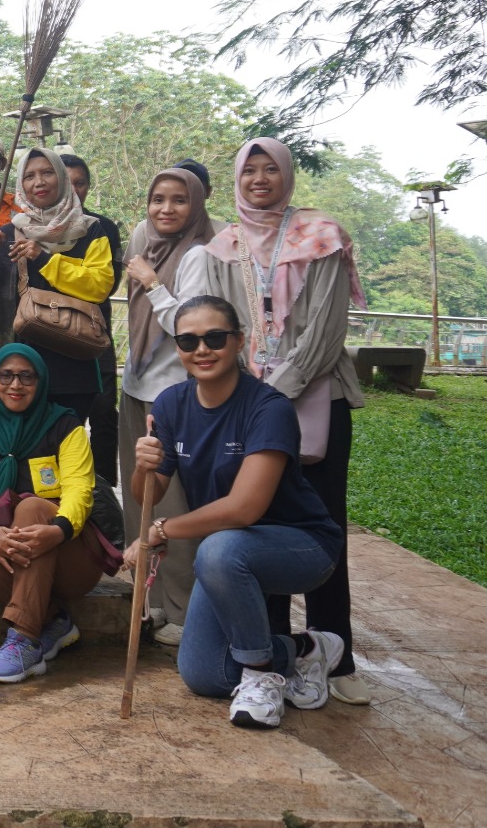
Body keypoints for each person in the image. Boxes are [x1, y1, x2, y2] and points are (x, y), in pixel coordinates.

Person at [197, 136, 370, 706]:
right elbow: (223, 323)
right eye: (250, 170)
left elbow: (326, 327)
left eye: (271, 169)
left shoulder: (321, 235)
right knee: (258, 524)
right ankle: (276, 654)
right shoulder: (224, 245)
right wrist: (253, 392)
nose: (260, 180)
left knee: (322, 523)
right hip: (253, 401)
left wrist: (279, 387)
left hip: (316, 393)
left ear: (287, 175)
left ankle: (337, 654)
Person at [127, 295, 346, 729]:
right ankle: (306, 650)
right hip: (228, 556)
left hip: (302, 546)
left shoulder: (269, 408)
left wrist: (160, 531)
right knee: (204, 673)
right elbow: (146, 494)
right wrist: (144, 464)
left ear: (239, 342)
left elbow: (245, 509)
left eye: (215, 337)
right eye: (188, 340)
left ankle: (261, 675)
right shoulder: (170, 404)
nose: (201, 349)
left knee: (221, 547)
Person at [0, 344, 104, 682]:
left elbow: (81, 490)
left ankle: (24, 640)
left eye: (26, 376)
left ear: (41, 381)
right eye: (6, 375)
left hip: (71, 557)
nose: (15, 385)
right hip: (12, 556)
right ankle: (54, 621)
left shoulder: (66, 426)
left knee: (33, 507)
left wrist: (60, 529)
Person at [119, 168, 213, 647]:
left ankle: (180, 608)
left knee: (170, 501)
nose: (166, 209)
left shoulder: (197, 253)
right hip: (136, 382)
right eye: (158, 199)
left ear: (195, 205)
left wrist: (154, 283)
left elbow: (192, 324)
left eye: (178, 200)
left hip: (173, 392)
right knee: (136, 493)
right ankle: (145, 600)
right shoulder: (145, 239)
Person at [2, 146, 115, 424]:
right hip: (22, 367)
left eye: (47, 173)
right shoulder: (10, 232)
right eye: (29, 176)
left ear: (61, 178)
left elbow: (99, 285)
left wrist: (43, 258)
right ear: (21, 184)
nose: (38, 182)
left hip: (74, 361)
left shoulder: (90, 229)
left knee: (69, 450)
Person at [61, 153, 124, 488]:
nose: (74, 190)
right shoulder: (33, 226)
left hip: (95, 333)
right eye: (66, 182)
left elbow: (105, 284)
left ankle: (103, 494)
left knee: (103, 413)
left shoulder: (102, 227)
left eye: (80, 183)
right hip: (49, 335)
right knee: (60, 420)